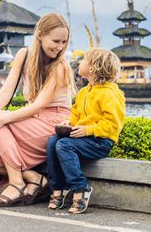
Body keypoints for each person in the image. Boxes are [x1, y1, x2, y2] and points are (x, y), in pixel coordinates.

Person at [0, 13, 75, 207]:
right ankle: (36, 179)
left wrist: (0, 119)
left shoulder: (61, 66)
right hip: (31, 119)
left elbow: (39, 105)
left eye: (64, 42)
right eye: (56, 41)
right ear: (40, 35)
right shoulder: (24, 55)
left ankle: (16, 184)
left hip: (53, 122)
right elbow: (7, 90)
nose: (60, 47)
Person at [46, 48, 126, 214]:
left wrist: (87, 130)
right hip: (84, 138)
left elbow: (113, 124)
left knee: (64, 145)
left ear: (93, 69)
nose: (79, 63)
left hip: (101, 141)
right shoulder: (84, 91)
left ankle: (81, 188)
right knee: (53, 141)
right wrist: (69, 122)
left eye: (83, 60)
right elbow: (75, 112)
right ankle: (59, 187)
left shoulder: (110, 94)